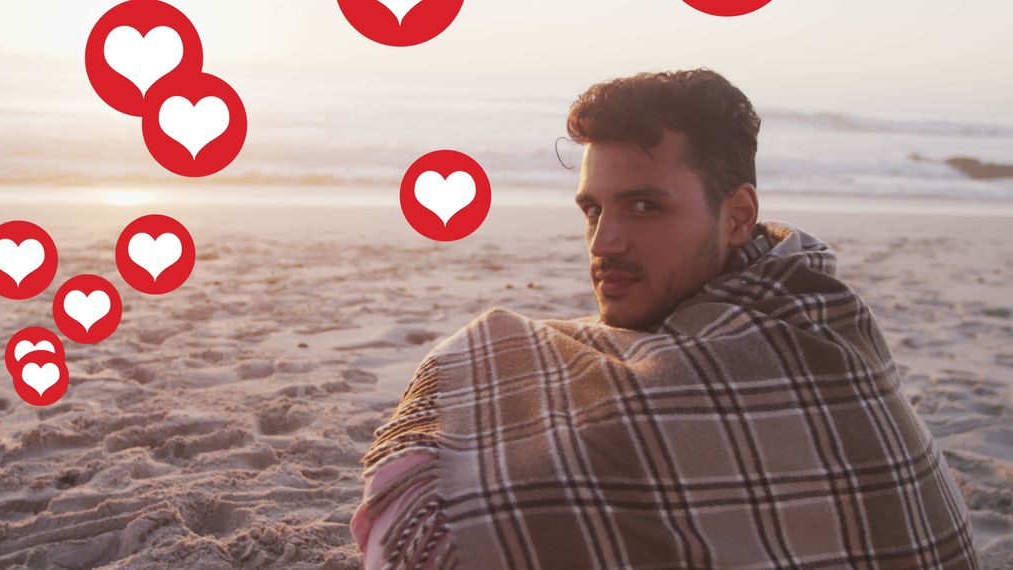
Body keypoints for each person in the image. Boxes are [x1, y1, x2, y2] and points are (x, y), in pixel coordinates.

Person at [351, 69, 979, 569]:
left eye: (644, 207)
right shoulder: (763, 311)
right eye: (592, 210)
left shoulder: (814, 337)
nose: (604, 242)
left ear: (738, 217)